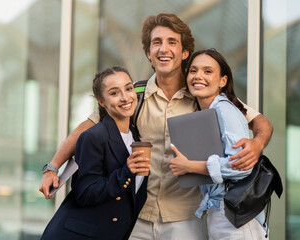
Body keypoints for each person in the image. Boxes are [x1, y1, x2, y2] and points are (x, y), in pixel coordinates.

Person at [39, 13, 273, 240]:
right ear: (148, 53)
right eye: (156, 42)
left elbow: (260, 122)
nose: (163, 48)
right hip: (136, 216)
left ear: (184, 53)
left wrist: (257, 143)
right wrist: (53, 167)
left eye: (172, 42)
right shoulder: (133, 95)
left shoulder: (204, 93)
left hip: (186, 219)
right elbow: (85, 128)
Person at [169, 49, 268, 239]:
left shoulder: (224, 108)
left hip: (237, 215)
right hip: (223, 212)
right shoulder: (209, 112)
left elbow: (242, 166)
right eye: (193, 71)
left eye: (208, 71)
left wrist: (189, 166)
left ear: (223, 81)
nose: (198, 76)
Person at [41, 66, 149, 240]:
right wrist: (126, 171)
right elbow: (85, 193)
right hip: (78, 235)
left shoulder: (135, 136)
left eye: (128, 88)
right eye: (114, 93)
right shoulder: (94, 136)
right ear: (101, 102)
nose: (125, 97)